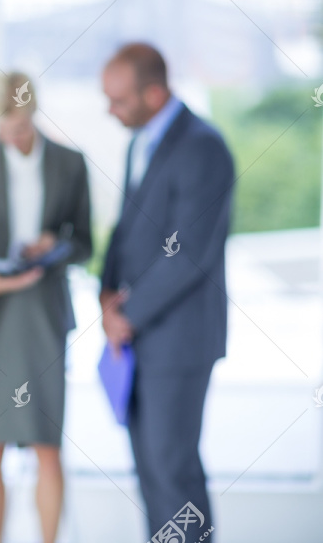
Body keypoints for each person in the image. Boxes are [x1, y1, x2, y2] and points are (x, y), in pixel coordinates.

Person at [0, 72, 92, 543]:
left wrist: (56, 244)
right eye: (6, 124)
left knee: (47, 445)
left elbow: (85, 244)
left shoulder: (71, 163)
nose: (15, 133)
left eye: (23, 123)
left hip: (43, 315)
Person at [100, 43, 233, 541]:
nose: (110, 111)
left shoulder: (203, 146)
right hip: (138, 334)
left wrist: (127, 312)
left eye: (119, 100)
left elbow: (191, 251)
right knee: (152, 472)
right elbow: (127, 229)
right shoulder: (141, 141)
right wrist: (106, 292)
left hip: (178, 338)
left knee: (172, 468)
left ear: (154, 93)